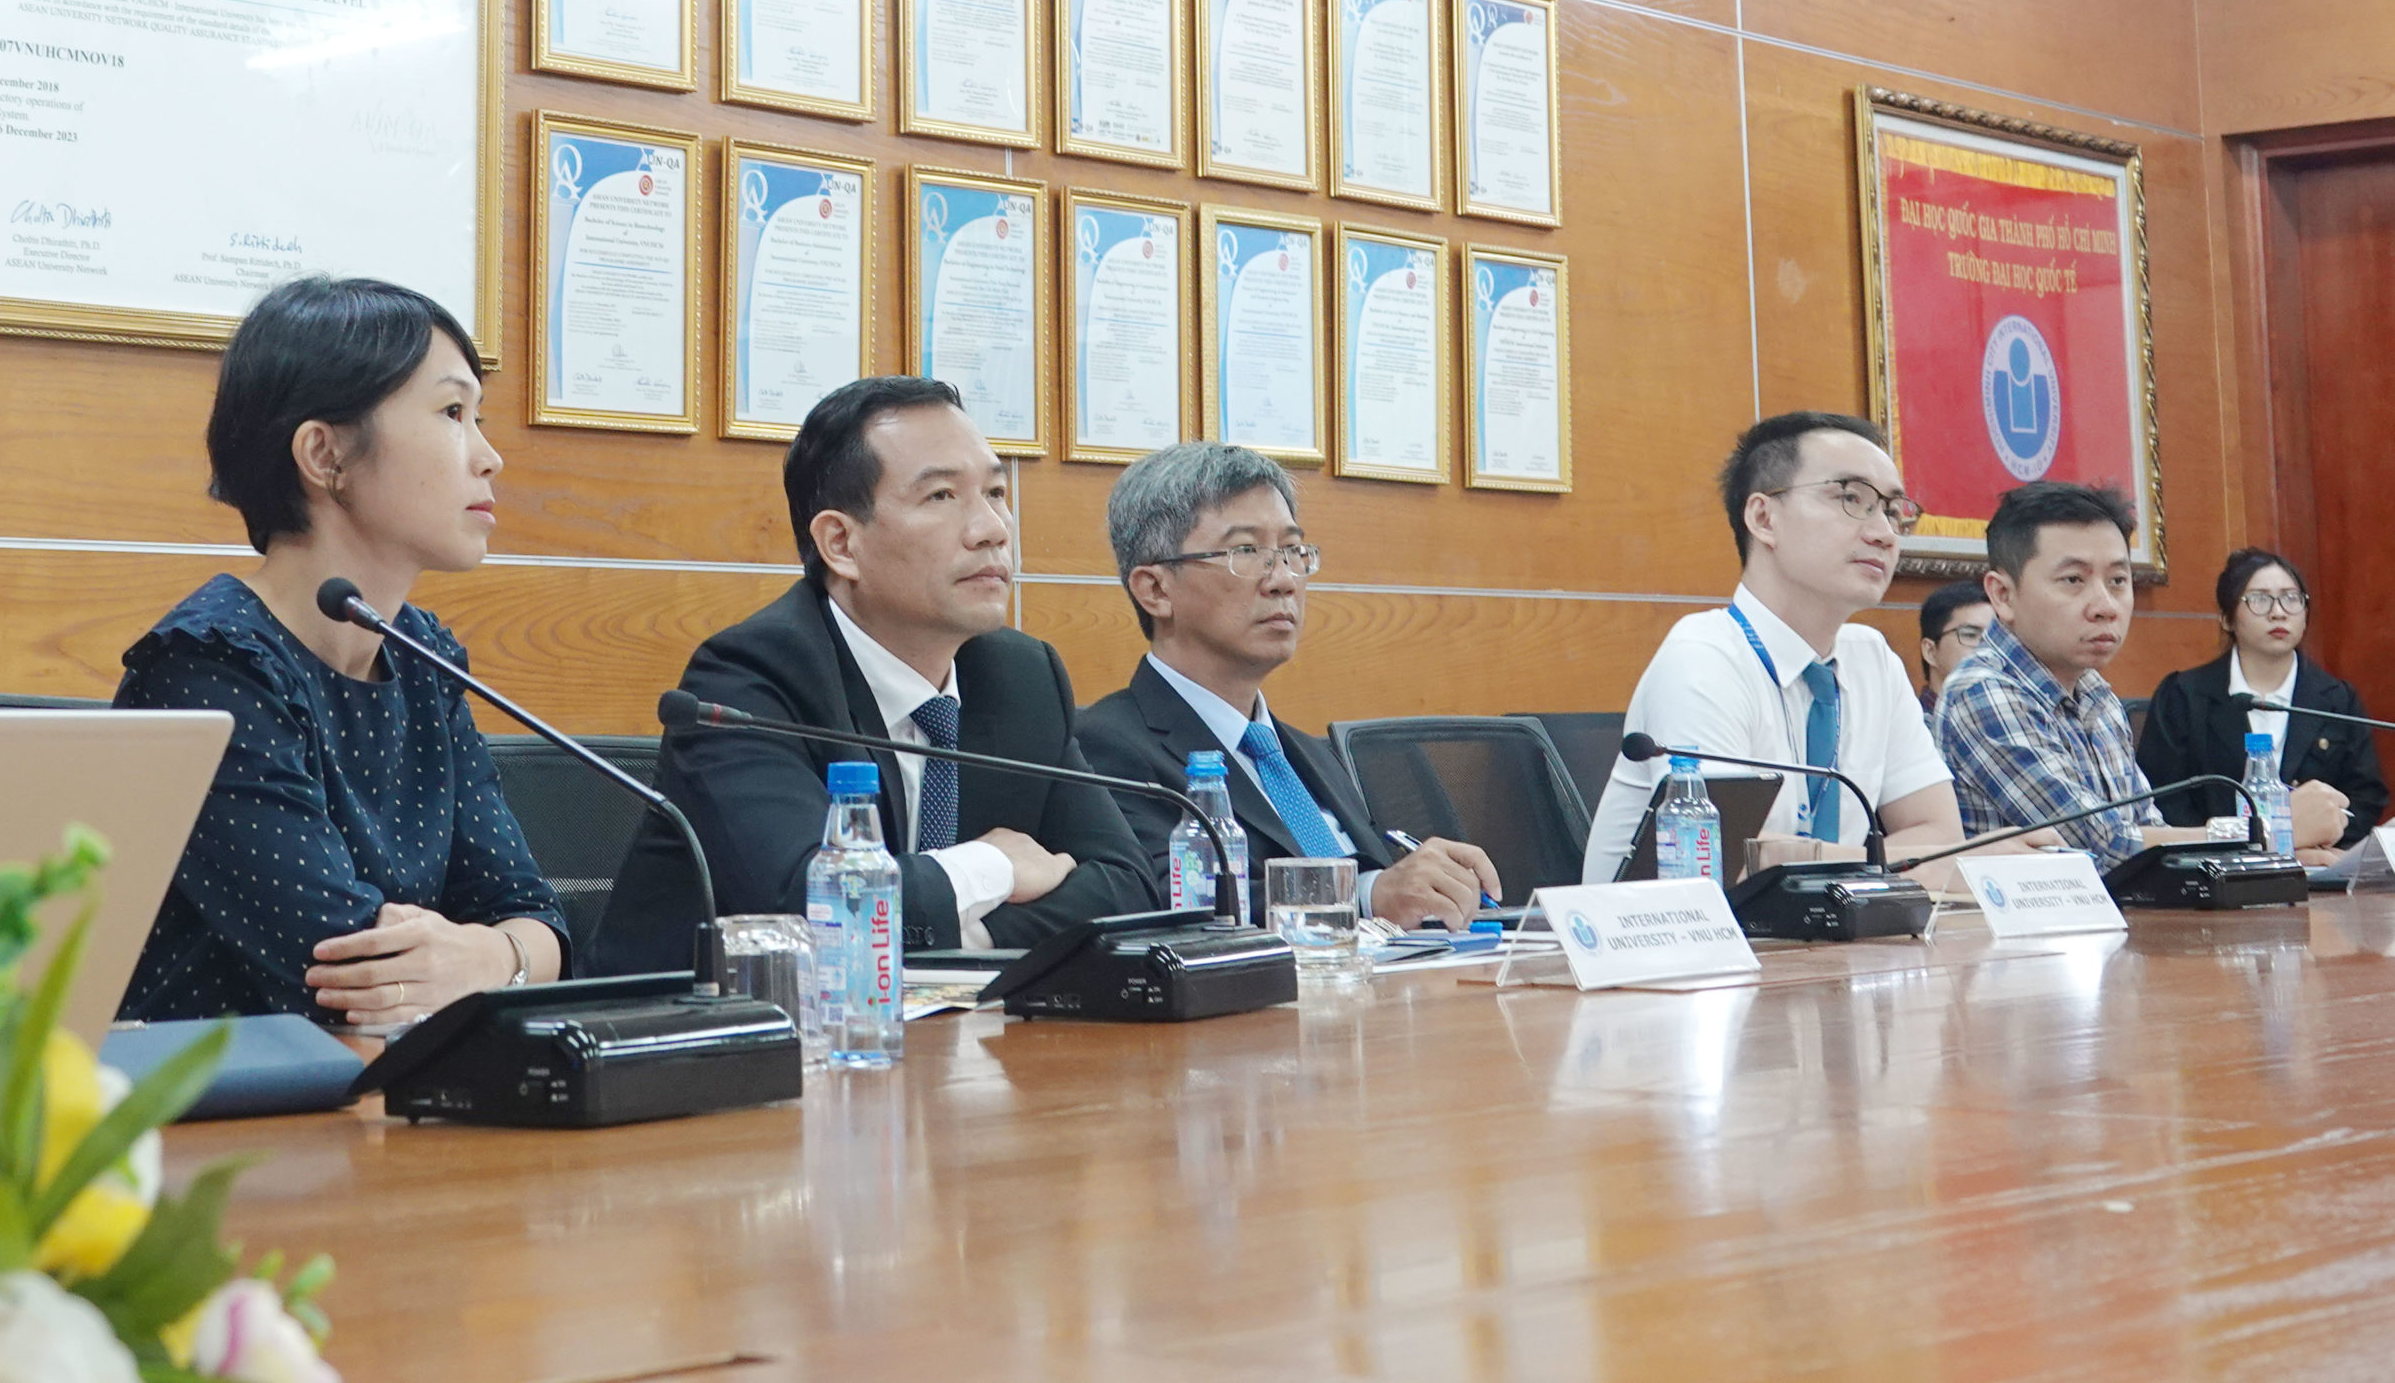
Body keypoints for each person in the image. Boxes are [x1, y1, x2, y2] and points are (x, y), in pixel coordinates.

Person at [115, 277, 568, 1025]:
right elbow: (343, 968)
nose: (490, 458)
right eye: (452, 413)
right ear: (325, 454)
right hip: (233, 1090)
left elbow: (535, 916)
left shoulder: (422, 657)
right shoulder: (206, 669)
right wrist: (492, 956)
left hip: (399, 1076)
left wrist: (493, 958)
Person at [590, 377, 1158, 973]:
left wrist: (969, 937)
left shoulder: (1022, 677)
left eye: (995, 492)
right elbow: (810, 904)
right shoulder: (748, 679)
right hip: (711, 1024)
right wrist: (993, 867)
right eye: (942, 496)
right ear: (840, 543)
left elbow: (1128, 888)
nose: (992, 528)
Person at [1074, 443, 1501, 928]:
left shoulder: (1310, 755)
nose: (1283, 580)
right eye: (1246, 551)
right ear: (1155, 590)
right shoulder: (1103, 748)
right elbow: (1173, 902)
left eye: (1293, 551)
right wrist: (1367, 896)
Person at [1583, 411, 1973, 883]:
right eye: (1852, 498)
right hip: (1685, 930)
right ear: (1764, 519)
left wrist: (1803, 856)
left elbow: (1940, 836)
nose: (1885, 534)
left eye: (1892, 511)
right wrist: (1887, 861)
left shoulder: (1872, 658)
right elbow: (1726, 862)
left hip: (1832, 928)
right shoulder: (1703, 658)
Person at [1937, 481, 2202, 865]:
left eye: (2117, 581)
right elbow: (2105, 846)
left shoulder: (2096, 694)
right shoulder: (1982, 692)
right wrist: (2255, 834)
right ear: (2003, 595)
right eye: (2074, 580)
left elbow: (2150, 829)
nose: (2105, 606)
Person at [2137, 547, 2386, 860]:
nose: (2278, 612)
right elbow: (2163, 797)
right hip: (2212, 868)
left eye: (2291, 599)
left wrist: (2314, 842)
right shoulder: (2183, 696)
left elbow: (2365, 797)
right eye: (2259, 600)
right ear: (2227, 618)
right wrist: (2250, 847)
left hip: (2319, 866)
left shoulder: (2337, 699)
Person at [1917, 579, 1993, 713]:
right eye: (1970, 635)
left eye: (1994, 638)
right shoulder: (1913, 721)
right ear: (1930, 651)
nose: (1987, 649)